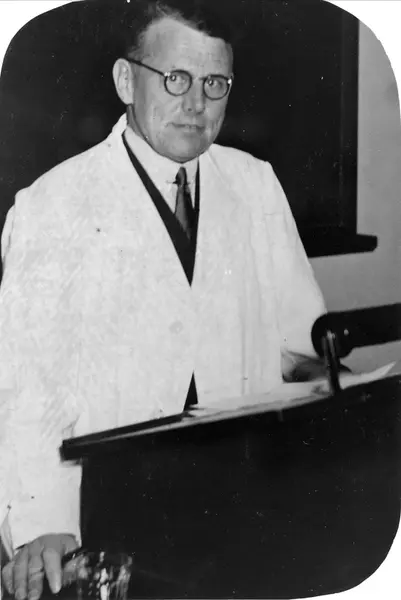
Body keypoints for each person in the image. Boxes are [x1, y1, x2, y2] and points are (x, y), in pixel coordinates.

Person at [0, 1, 327, 598]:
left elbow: (302, 346)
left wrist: (337, 381)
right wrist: (43, 524)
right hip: (111, 514)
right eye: (175, 78)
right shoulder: (52, 206)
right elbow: (28, 390)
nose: (196, 103)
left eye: (214, 83)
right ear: (127, 81)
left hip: (243, 504)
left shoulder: (254, 184)